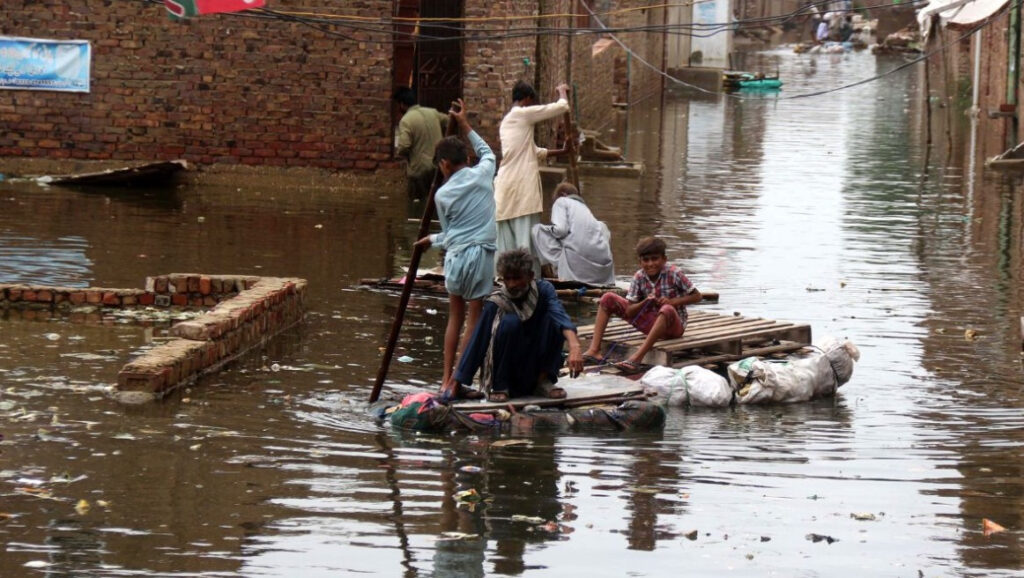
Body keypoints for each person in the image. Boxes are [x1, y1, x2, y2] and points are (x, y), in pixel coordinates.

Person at [414, 99, 496, 399]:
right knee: (473, 319)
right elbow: (488, 152)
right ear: (465, 158)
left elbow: (450, 235)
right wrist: (465, 125)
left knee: (454, 317)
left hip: (456, 258)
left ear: (444, 165)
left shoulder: (442, 194)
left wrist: (432, 241)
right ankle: (457, 383)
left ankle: (445, 378)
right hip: (480, 257)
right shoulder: (484, 172)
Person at [449, 248, 584, 403]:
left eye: (517, 278)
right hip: (507, 375)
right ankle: (501, 386)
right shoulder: (496, 302)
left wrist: (575, 347)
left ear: (530, 276)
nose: (512, 284)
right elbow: (478, 342)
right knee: (510, 323)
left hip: (534, 369)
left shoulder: (544, 291)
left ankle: (543, 381)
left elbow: (561, 316)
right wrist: (457, 383)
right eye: (508, 279)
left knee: (553, 320)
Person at [581, 237, 702, 374]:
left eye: (655, 259)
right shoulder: (639, 277)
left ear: (664, 259)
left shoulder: (674, 273)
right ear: (640, 262)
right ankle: (594, 350)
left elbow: (697, 296)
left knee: (666, 309)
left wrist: (672, 302)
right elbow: (630, 311)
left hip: (673, 328)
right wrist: (644, 302)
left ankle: (636, 358)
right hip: (652, 324)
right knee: (607, 298)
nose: (650, 264)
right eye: (646, 260)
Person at [493, 80, 571, 278]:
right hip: (520, 188)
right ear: (526, 99)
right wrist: (562, 92)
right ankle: (529, 281)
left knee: (508, 242)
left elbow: (534, 151)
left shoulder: (508, 122)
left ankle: (505, 278)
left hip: (505, 187)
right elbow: (561, 107)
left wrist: (562, 151)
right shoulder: (521, 114)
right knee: (526, 239)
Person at [530, 182, 615, 285]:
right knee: (602, 226)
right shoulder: (586, 210)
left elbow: (560, 230)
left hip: (578, 269)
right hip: (603, 272)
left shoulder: (562, 201)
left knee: (537, 229)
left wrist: (549, 230)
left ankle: (548, 271)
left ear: (563, 194)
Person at [393, 87, 448, 199]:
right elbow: (450, 120)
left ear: (402, 104)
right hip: (438, 168)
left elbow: (404, 147)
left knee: (416, 206)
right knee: (434, 203)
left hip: (418, 171)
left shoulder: (406, 120)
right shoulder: (433, 113)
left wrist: (403, 154)